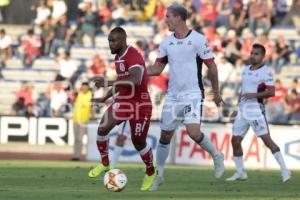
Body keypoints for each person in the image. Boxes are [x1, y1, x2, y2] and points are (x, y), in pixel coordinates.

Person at [146, 3, 225, 191]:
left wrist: (217, 92)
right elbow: (157, 69)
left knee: (193, 132)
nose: (166, 20)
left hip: (192, 93)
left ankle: (216, 155)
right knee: (165, 135)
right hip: (173, 95)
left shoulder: (198, 40)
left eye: (168, 17)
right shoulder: (166, 42)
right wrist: (139, 71)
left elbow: (211, 67)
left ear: (179, 18)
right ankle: (160, 175)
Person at [88, 27, 156, 191]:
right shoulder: (118, 56)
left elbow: (136, 80)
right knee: (103, 128)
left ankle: (150, 171)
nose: (110, 44)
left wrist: (108, 82)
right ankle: (105, 163)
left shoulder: (133, 55)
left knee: (138, 142)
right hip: (124, 101)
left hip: (141, 104)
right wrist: (104, 98)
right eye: (109, 40)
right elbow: (122, 81)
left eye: (113, 41)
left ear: (123, 41)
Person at [226, 44, 291, 182]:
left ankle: (285, 170)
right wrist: (237, 109)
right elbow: (242, 91)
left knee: (267, 141)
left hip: (256, 110)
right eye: (252, 53)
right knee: (235, 140)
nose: (253, 55)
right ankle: (240, 172)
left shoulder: (266, 71)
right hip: (243, 111)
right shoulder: (244, 69)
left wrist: (254, 95)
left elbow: (271, 92)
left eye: (256, 54)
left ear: (262, 56)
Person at [72, 82, 92, 161]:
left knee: (80, 138)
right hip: (76, 119)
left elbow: (92, 107)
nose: (84, 88)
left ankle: (78, 156)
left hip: (84, 120)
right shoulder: (78, 94)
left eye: (85, 87)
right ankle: (75, 155)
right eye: (83, 87)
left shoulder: (91, 95)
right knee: (76, 138)